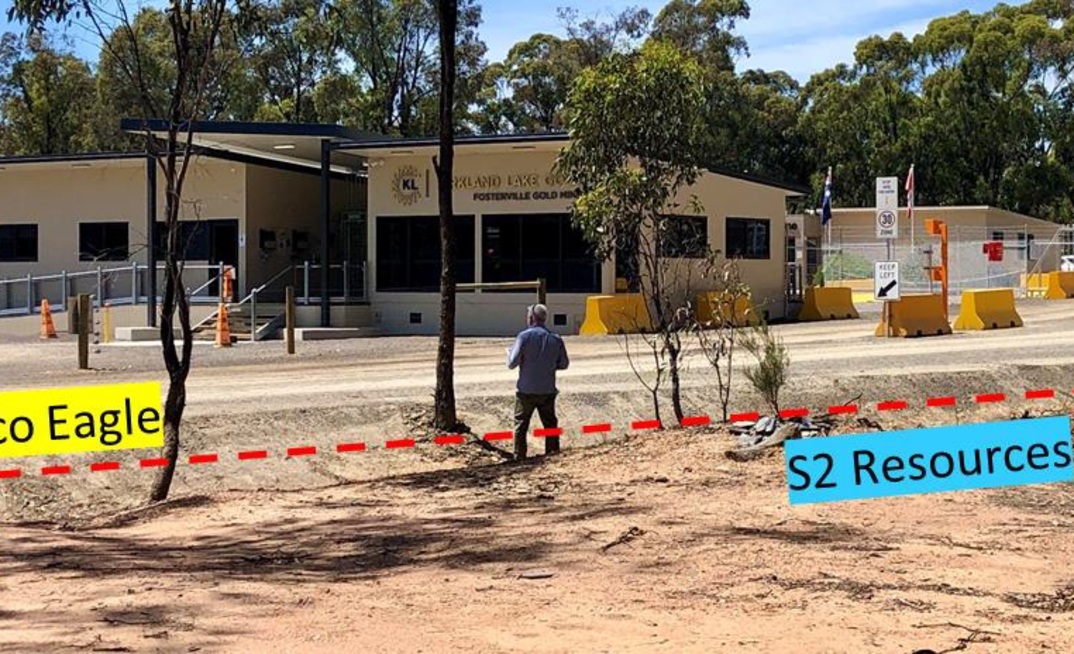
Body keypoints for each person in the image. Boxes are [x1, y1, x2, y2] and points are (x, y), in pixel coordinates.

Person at [506, 303, 569, 460]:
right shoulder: (556, 339)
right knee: (550, 424)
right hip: (547, 390)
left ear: (531, 318)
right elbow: (564, 364)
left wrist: (509, 353)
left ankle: (519, 457)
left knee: (521, 425)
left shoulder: (524, 337)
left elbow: (512, 363)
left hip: (526, 391)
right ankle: (552, 454)